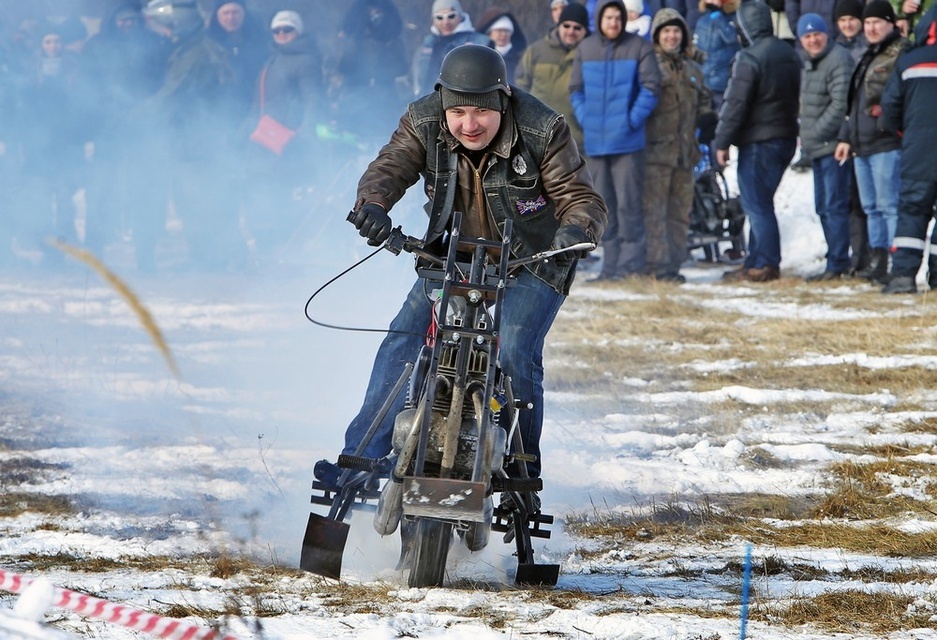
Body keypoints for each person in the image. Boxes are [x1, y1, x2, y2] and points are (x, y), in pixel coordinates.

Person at [315, 44, 606, 492]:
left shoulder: (543, 128)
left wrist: (574, 231)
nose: (469, 125)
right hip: (453, 254)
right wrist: (373, 204)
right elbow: (389, 167)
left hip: (534, 259)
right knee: (403, 338)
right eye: (458, 112)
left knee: (513, 350)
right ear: (443, 104)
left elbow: (581, 197)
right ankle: (361, 461)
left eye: (481, 112)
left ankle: (519, 473)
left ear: (502, 100)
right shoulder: (423, 119)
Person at [137, 0, 243, 273]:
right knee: (198, 200)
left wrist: (133, 116)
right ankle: (210, 256)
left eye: (170, 25)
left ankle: (211, 258)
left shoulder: (193, 54)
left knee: (197, 201)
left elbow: (172, 94)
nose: (166, 30)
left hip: (197, 141)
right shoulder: (195, 47)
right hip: (197, 138)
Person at [570, 0, 661, 281]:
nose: (613, 22)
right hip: (596, 144)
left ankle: (631, 266)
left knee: (629, 204)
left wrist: (630, 121)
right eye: (608, 17)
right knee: (604, 206)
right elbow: (576, 89)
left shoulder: (639, 47)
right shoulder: (586, 48)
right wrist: (586, 118)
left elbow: (651, 88)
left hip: (627, 143)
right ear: (599, 19)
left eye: (618, 17)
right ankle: (610, 268)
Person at [715, 0, 801, 283]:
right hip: (786, 137)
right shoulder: (789, 52)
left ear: (744, 26)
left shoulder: (749, 57)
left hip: (758, 141)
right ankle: (755, 259)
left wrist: (722, 142)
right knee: (761, 203)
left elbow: (735, 104)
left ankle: (765, 263)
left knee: (757, 204)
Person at [81, 2, 165, 259]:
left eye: (131, 19)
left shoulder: (154, 44)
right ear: (113, 20)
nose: (127, 24)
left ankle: (145, 252)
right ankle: (95, 248)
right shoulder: (98, 46)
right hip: (109, 127)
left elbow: (162, 83)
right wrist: (100, 115)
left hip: (144, 128)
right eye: (122, 19)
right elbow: (87, 85)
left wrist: (149, 110)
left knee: (144, 188)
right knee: (102, 188)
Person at [833, 0, 909, 284]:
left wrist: (888, 123)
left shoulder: (900, 52)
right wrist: (845, 136)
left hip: (886, 143)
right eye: (867, 23)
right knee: (871, 208)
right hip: (861, 144)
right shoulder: (867, 55)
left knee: (889, 206)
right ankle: (878, 260)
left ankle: (896, 263)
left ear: (891, 23)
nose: (871, 28)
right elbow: (854, 104)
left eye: (877, 22)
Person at [241, 10, 324, 264]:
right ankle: (269, 250)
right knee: (262, 192)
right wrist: (245, 130)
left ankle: (286, 252)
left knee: (282, 194)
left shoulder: (305, 61)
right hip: (265, 138)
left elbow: (313, 100)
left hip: (289, 141)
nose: (281, 34)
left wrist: (305, 132)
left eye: (287, 30)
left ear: (297, 32)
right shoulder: (272, 60)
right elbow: (259, 103)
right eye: (277, 31)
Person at [643, 8, 712, 283]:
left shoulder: (693, 69)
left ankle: (673, 265)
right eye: (666, 31)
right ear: (657, 36)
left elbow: (705, 101)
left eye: (676, 31)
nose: (672, 36)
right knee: (654, 213)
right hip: (655, 154)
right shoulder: (648, 66)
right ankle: (656, 267)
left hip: (686, 154)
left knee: (680, 212)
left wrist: (708, 119)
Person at [879, 6, 937, 293]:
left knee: (913, 210)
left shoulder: (909, 61)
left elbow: (889, 110)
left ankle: (903, 275)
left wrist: (908, 134)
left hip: (917, 152)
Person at [797, 14, 855, 281]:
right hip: (818, 147)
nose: (813, 40)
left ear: (826, 34)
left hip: (832, 146)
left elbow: (841, 103)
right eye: (807, 36)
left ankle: (838, 262)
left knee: (834, 206)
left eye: (817, 34)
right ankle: (834, 259)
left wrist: (815, 132)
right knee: (823, 207)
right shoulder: (811, 62)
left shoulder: (837, 59)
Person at [515, 2, 591, 148]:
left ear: (585, 31)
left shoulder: (591, 55)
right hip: (537, 133)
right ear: (559, 25)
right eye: (566, 26)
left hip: (575, 138)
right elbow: (520, 85)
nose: (571, 31)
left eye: (577, 28)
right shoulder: (536, 51)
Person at [331, 0, 408, 142]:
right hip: (355, 95)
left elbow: (401, 68)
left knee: (384, 138)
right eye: (370, 14)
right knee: (353, 138)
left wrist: (382, 40)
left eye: (377, 14)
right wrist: (358, 35)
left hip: (384, 96)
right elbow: (344, 66)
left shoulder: (392, 36)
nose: (373, 17)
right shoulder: (354, 34)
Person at [833, 0, 871, 275]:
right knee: (847, 200)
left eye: (852, 19)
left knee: (864, 200)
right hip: (840, 135)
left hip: (862, 132)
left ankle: (867, 257)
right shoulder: (833, 49)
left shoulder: (866, 49)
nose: (847, 24)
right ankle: (856, 257)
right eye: (842, 20)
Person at [207, 0, 269, 125]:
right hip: (218, 112)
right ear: (217, 16)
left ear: (244, 14)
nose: (231, 18)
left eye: (235, 12)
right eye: (226, 13)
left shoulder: (261, 41)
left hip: (254, 110)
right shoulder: (207, 45)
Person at [411, 0, 491, 97]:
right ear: (433, 19)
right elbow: (416, 80)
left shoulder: (480, 42)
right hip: (429, 100)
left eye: (451, 16)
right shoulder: (426, 45)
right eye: (439, 17)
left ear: (460, 16)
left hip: (466, 100)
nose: (446, 22)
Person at [693, 0, 741, 111]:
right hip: (703, 83)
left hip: (722, 83)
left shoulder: (733, 19)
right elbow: (696, 49)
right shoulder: (701, 21)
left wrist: (719, 18)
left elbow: (733, 39)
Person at [476, 8, 527, 83]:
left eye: (507, 31)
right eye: (499, 30)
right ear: (489, 33)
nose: (503, 34)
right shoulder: (480, 58)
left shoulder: (520, 59)